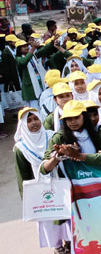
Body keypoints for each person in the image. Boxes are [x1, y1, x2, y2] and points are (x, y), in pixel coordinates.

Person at [13, 107, 71, 253]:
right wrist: (28, 199)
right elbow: (23, 174)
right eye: (29, 120)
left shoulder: (52, 137)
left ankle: (70, 243)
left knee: (66, 215)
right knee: (49, 220)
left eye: (36, 118)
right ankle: (58, 247)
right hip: (41, 191)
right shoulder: (21, 148)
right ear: (22, 126)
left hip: (61, 182)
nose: (34, 123)